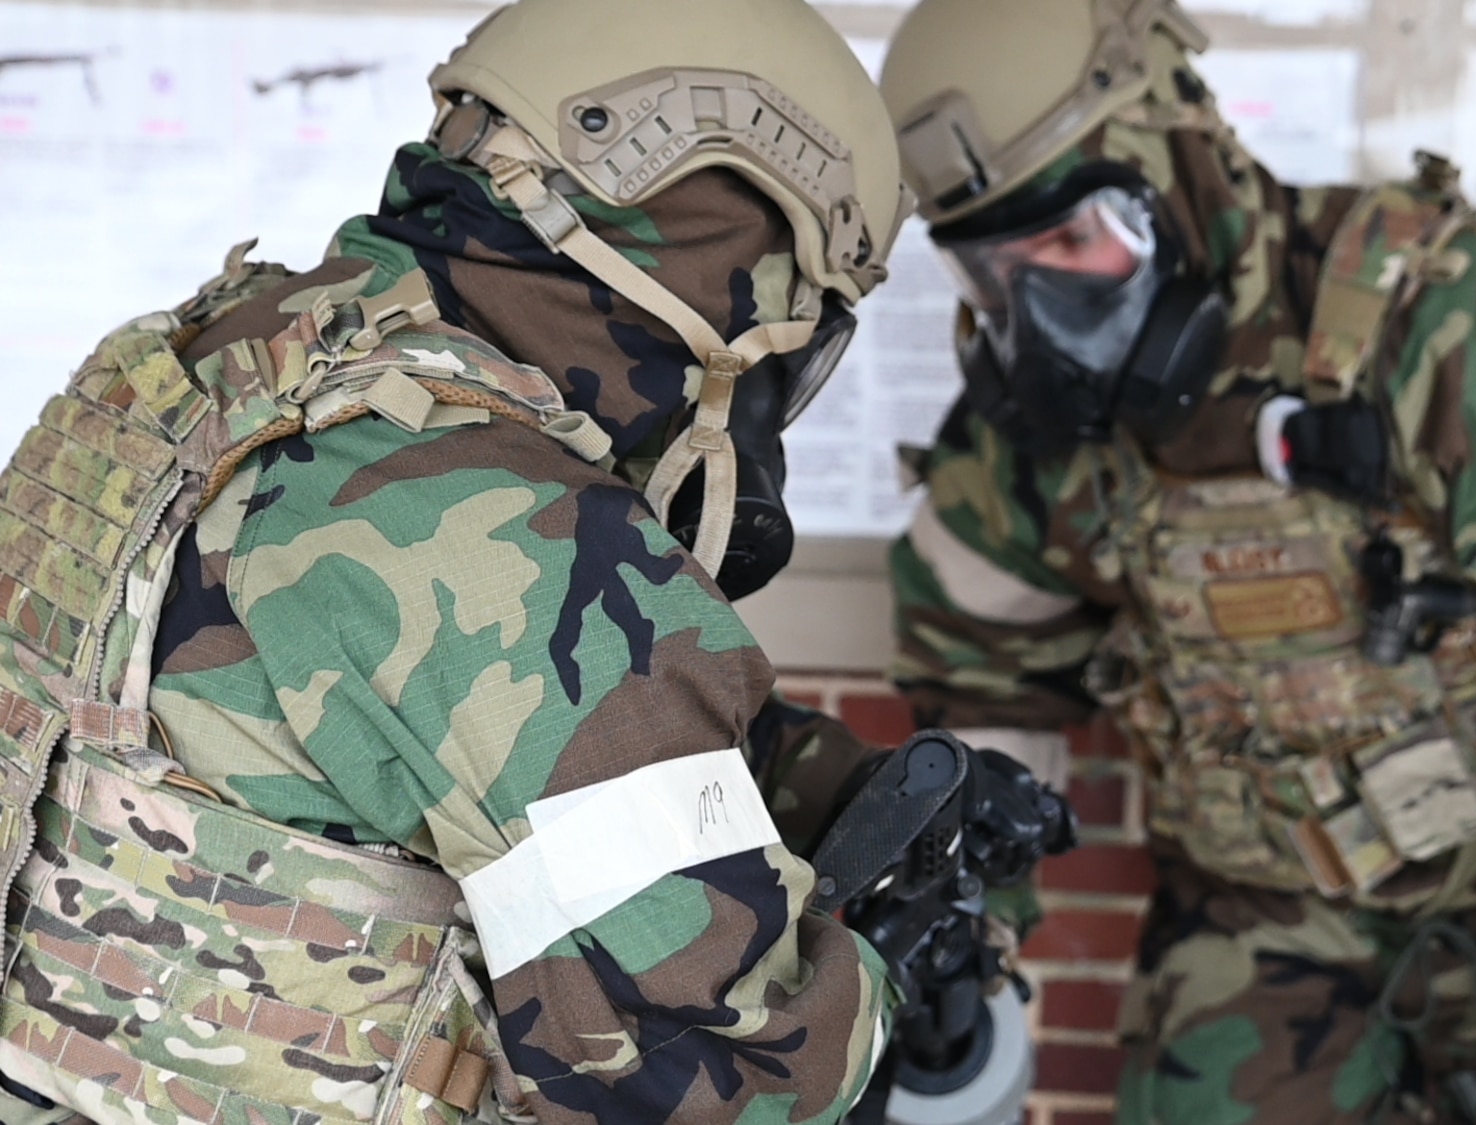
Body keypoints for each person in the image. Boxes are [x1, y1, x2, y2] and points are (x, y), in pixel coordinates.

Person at [875, 1, 1476, 1121]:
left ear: (1185, 160)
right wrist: (965, 935)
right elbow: (979, 682)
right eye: (994, 274)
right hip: (1251, 930)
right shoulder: (1020, 441)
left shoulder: (1455, 327)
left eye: (1075, 244)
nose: (1048, 319)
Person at [0, 1, 923, 1122]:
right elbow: (729, 1076)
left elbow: (361, 718)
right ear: (737, 255)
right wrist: (889, 984)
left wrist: (824, 778)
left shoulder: (220, 359)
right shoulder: (509, 526)